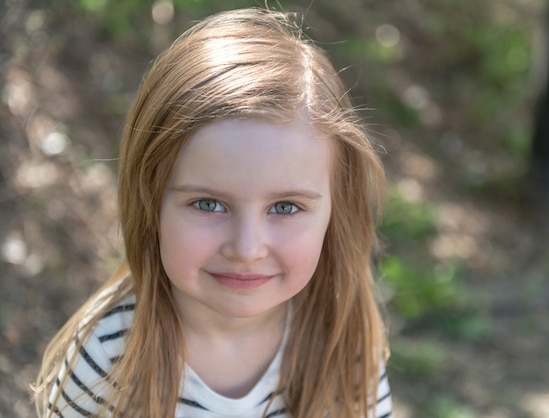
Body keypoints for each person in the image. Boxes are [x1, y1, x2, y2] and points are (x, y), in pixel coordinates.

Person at [34, 7, 392, 418]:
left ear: (336, 208)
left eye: (285, 207)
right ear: (150, 200)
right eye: (208, 204)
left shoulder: (343, 342)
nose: (246, 247)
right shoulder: (109, 355)